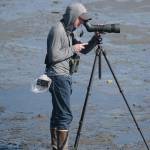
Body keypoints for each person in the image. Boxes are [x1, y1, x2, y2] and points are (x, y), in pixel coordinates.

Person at [45, 2, 99, 150]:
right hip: (57, 76)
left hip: (63, 76)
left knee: (58, 114)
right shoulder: (57, 30)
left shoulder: (71, 31)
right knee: (65, 115)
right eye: (80, 20)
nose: (81, 23)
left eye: (83, 21)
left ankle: (56, 147)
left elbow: (82, 50)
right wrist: (72, 48)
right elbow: (53, 56)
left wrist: (94, 41)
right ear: (72, 16)